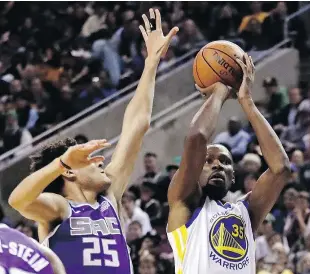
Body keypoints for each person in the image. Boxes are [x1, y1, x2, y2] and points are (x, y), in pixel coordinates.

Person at [8, 9, 179, 274]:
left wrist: (151, 65)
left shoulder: (110, 198)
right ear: (69, 172)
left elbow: (137, 124)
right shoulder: (59, 208)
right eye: (88, 161)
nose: (101, 163)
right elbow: (18, 201)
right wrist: (60, 161)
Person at [167, 54, 290, 273]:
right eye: (208, 161)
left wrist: (247, 102)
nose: (217, 165)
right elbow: (196, 138)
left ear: (233, 176)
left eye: (225, 162)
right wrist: (219, 92)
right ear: (195, 169)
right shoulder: (183, 202)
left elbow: (280, 168)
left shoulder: (246, 212)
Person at [0, 223, 66, 274]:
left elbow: (49, 255)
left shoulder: (7, 232)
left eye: (26, 231)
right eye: (23, 231)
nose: (24, 232)